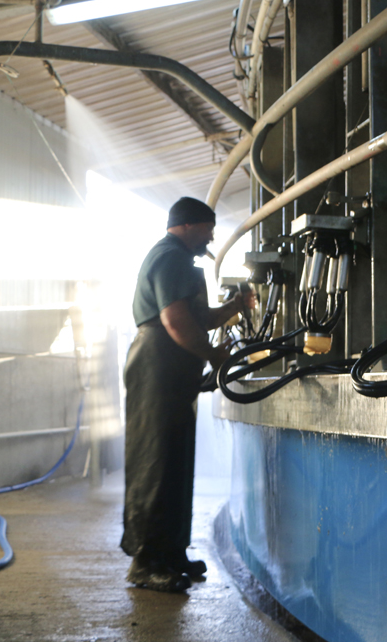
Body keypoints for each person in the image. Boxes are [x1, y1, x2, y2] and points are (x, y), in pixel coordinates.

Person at [121, 196, 254, 593]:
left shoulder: (182, 262)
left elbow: (201, 318)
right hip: (156, 364)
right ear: (191, 225)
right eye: (209, 229)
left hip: (174, 370)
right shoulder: (169, 257)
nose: (211, 237)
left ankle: (172, 553)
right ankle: (146, 562)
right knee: (155, 461)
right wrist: (214, 356)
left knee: (176, 461)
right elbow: (175, 321)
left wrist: (237, 305)